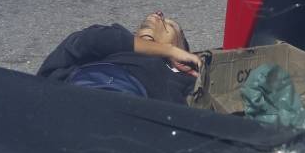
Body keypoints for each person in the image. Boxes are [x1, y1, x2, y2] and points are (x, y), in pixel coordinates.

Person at [37, 12, 202, 104]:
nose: (158, 14)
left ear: (182, 50)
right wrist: (166, 49)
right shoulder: (113, 48)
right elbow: (88, 39)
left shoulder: (181, 77)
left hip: (135, 112)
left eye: (169, 24)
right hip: (82, 92)